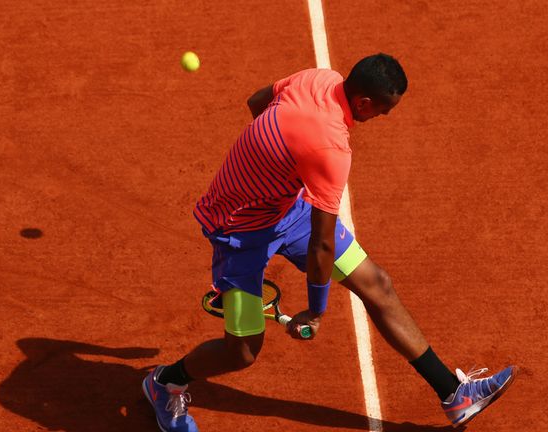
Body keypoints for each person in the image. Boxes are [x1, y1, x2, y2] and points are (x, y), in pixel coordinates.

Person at [142, 53, 517, 431]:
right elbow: (322, 244)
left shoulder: (318, 78)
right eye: (384, 110)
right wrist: (316, 312)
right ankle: (165, 383)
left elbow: (257, 102)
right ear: (364, 103)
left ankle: (454, 393)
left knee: (377, 285)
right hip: (239, 230)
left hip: (288, 210)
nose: (384, 117)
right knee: (241, 351)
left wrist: (276, 160)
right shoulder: (331, 148)